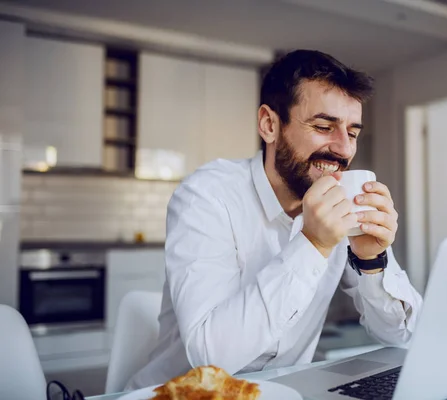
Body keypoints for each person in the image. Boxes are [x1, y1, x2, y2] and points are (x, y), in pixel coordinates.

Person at [126, 49, 423, 390]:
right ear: (270, 124)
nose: (343, 149)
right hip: (182, 395)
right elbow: (211, 357)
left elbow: (400, 335)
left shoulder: (341, 205)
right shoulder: (207, 196)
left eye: (352, 133)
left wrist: (372, 261)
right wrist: (313, 244)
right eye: (324, 126)